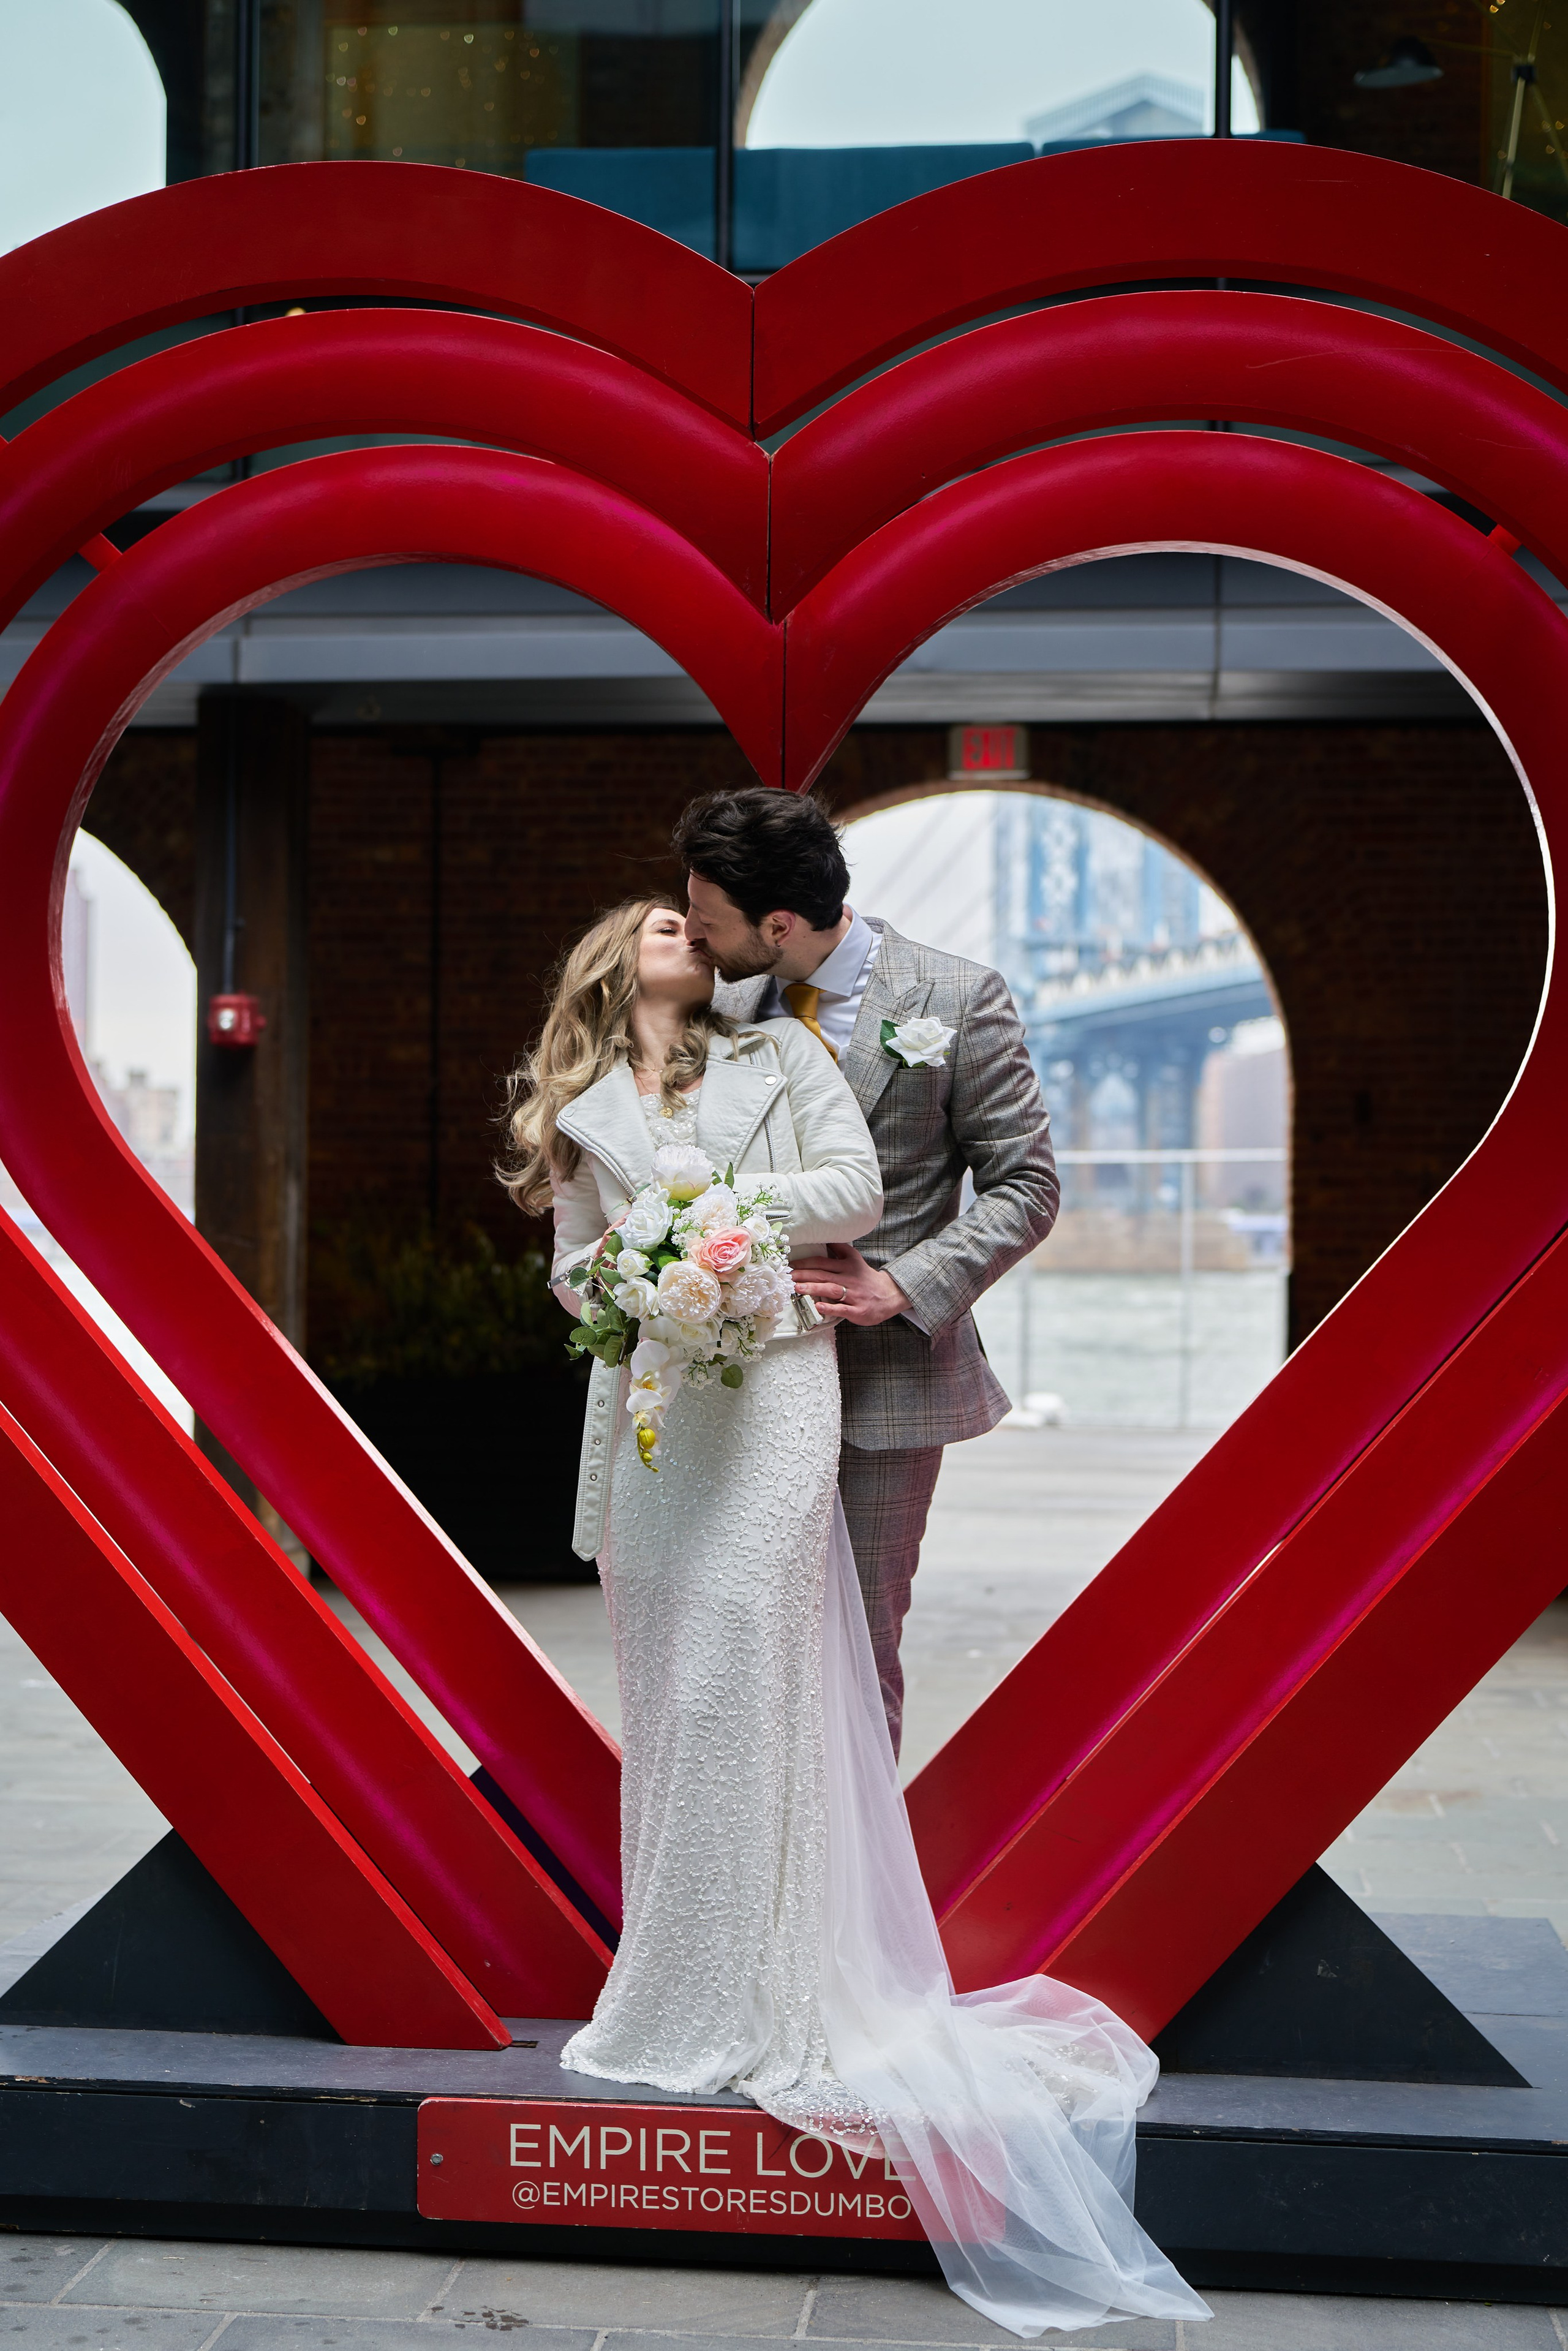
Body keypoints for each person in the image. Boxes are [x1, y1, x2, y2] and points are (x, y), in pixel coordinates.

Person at [502, 896, 1208, 2339]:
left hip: (771, 1386)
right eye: (656, 919)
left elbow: (848, 1192)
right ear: (606, 959)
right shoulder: (578, 1100)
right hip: (656, 1406)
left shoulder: (776, 1056)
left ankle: (789, 1989)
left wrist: (705, 1235)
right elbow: (575, 1259)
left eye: (696, 921)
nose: (682, 932)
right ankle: (678, 1983)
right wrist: (631, 1278)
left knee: (755, 1672)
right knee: (673, 1690)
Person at [674, 788, 1059, 1757]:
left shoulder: (958, 997)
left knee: (854, 1648)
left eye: (712, 924)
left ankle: (851, 1897)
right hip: (734, 1375)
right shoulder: (713, 1004)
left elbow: (1027, 1186)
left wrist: (906, 1285)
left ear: (781, 924)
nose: (698, 942)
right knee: (738, 1635)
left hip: (882, 1385)